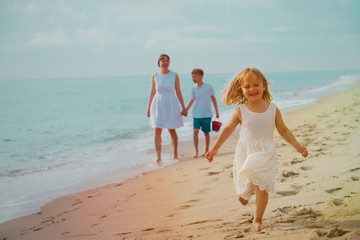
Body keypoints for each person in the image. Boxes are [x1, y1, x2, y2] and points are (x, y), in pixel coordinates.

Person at [205, 68, 308, 232]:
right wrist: (215, 148)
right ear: (241, 89)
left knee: (263, 189)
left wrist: (297, 146)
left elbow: (283, 130)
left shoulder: (273, 109)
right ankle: (246, 191)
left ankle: (257, 220)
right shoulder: (241, 111)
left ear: (264, 85)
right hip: (247, 152)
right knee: (251, 177)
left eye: (256, 85)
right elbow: (228, 129)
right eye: (247, 86)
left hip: (266, 152)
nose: (252, 89)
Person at [147, 54, 187, 163]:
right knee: (157, 130)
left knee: (171, 129)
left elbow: (178, 92)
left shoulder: (174, 75)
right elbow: (152, 92)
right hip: (157, 104)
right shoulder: (154, 75)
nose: (165, 62)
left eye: (167, 61)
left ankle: (175, 153)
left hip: (171, 104)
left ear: (169, 62)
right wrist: (148, 108)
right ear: (159, 63)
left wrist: (184, 107)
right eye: (163, 61)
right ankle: (158, 157)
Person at [184, 68, 219, 158]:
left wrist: (217, 111)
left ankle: (206, 150)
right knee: (195, 131)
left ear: (201, 76)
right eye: (192, 77)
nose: (193, 79)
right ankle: (196, 151)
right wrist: (186, 109)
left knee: (206, 133)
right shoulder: (193, 89)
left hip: (207, 114)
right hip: (196, 114)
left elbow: (213, 99)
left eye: (195, 76)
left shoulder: (209, 87)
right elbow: (192, 100)